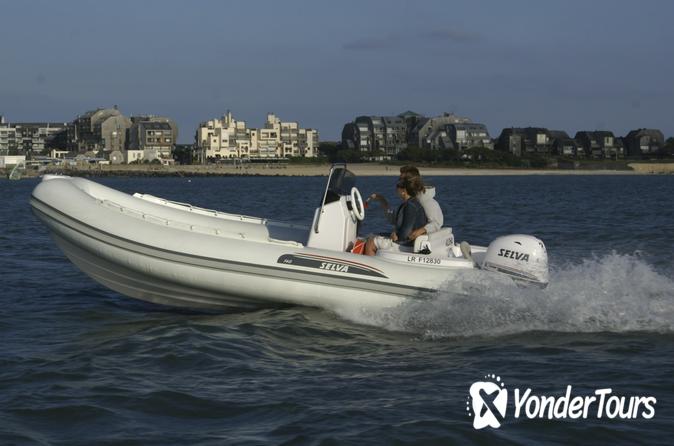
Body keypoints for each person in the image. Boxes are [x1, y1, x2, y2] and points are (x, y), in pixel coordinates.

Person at [369, 165, 444, 240]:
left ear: (410, 181)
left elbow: (436, 223)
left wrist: (419, 231)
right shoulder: (410, 198)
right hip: (406, 238)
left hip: (417, 241)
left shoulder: (424, 200)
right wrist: (382, 200)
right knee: (371, 236)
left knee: (372, 240)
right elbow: (395, 219)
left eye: (401, 180)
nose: (399, 182)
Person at [364, 176, 427, 256]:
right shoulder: (411, 203)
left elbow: (406, 230)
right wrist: (382, 199)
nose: (396, 190)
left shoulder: (410, 206)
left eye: (398, 189)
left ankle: (370, 263)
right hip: (408, 242)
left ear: (403, 191)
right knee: (372, 235)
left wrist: (397, 236)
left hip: (406, 245)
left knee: (371, 243)